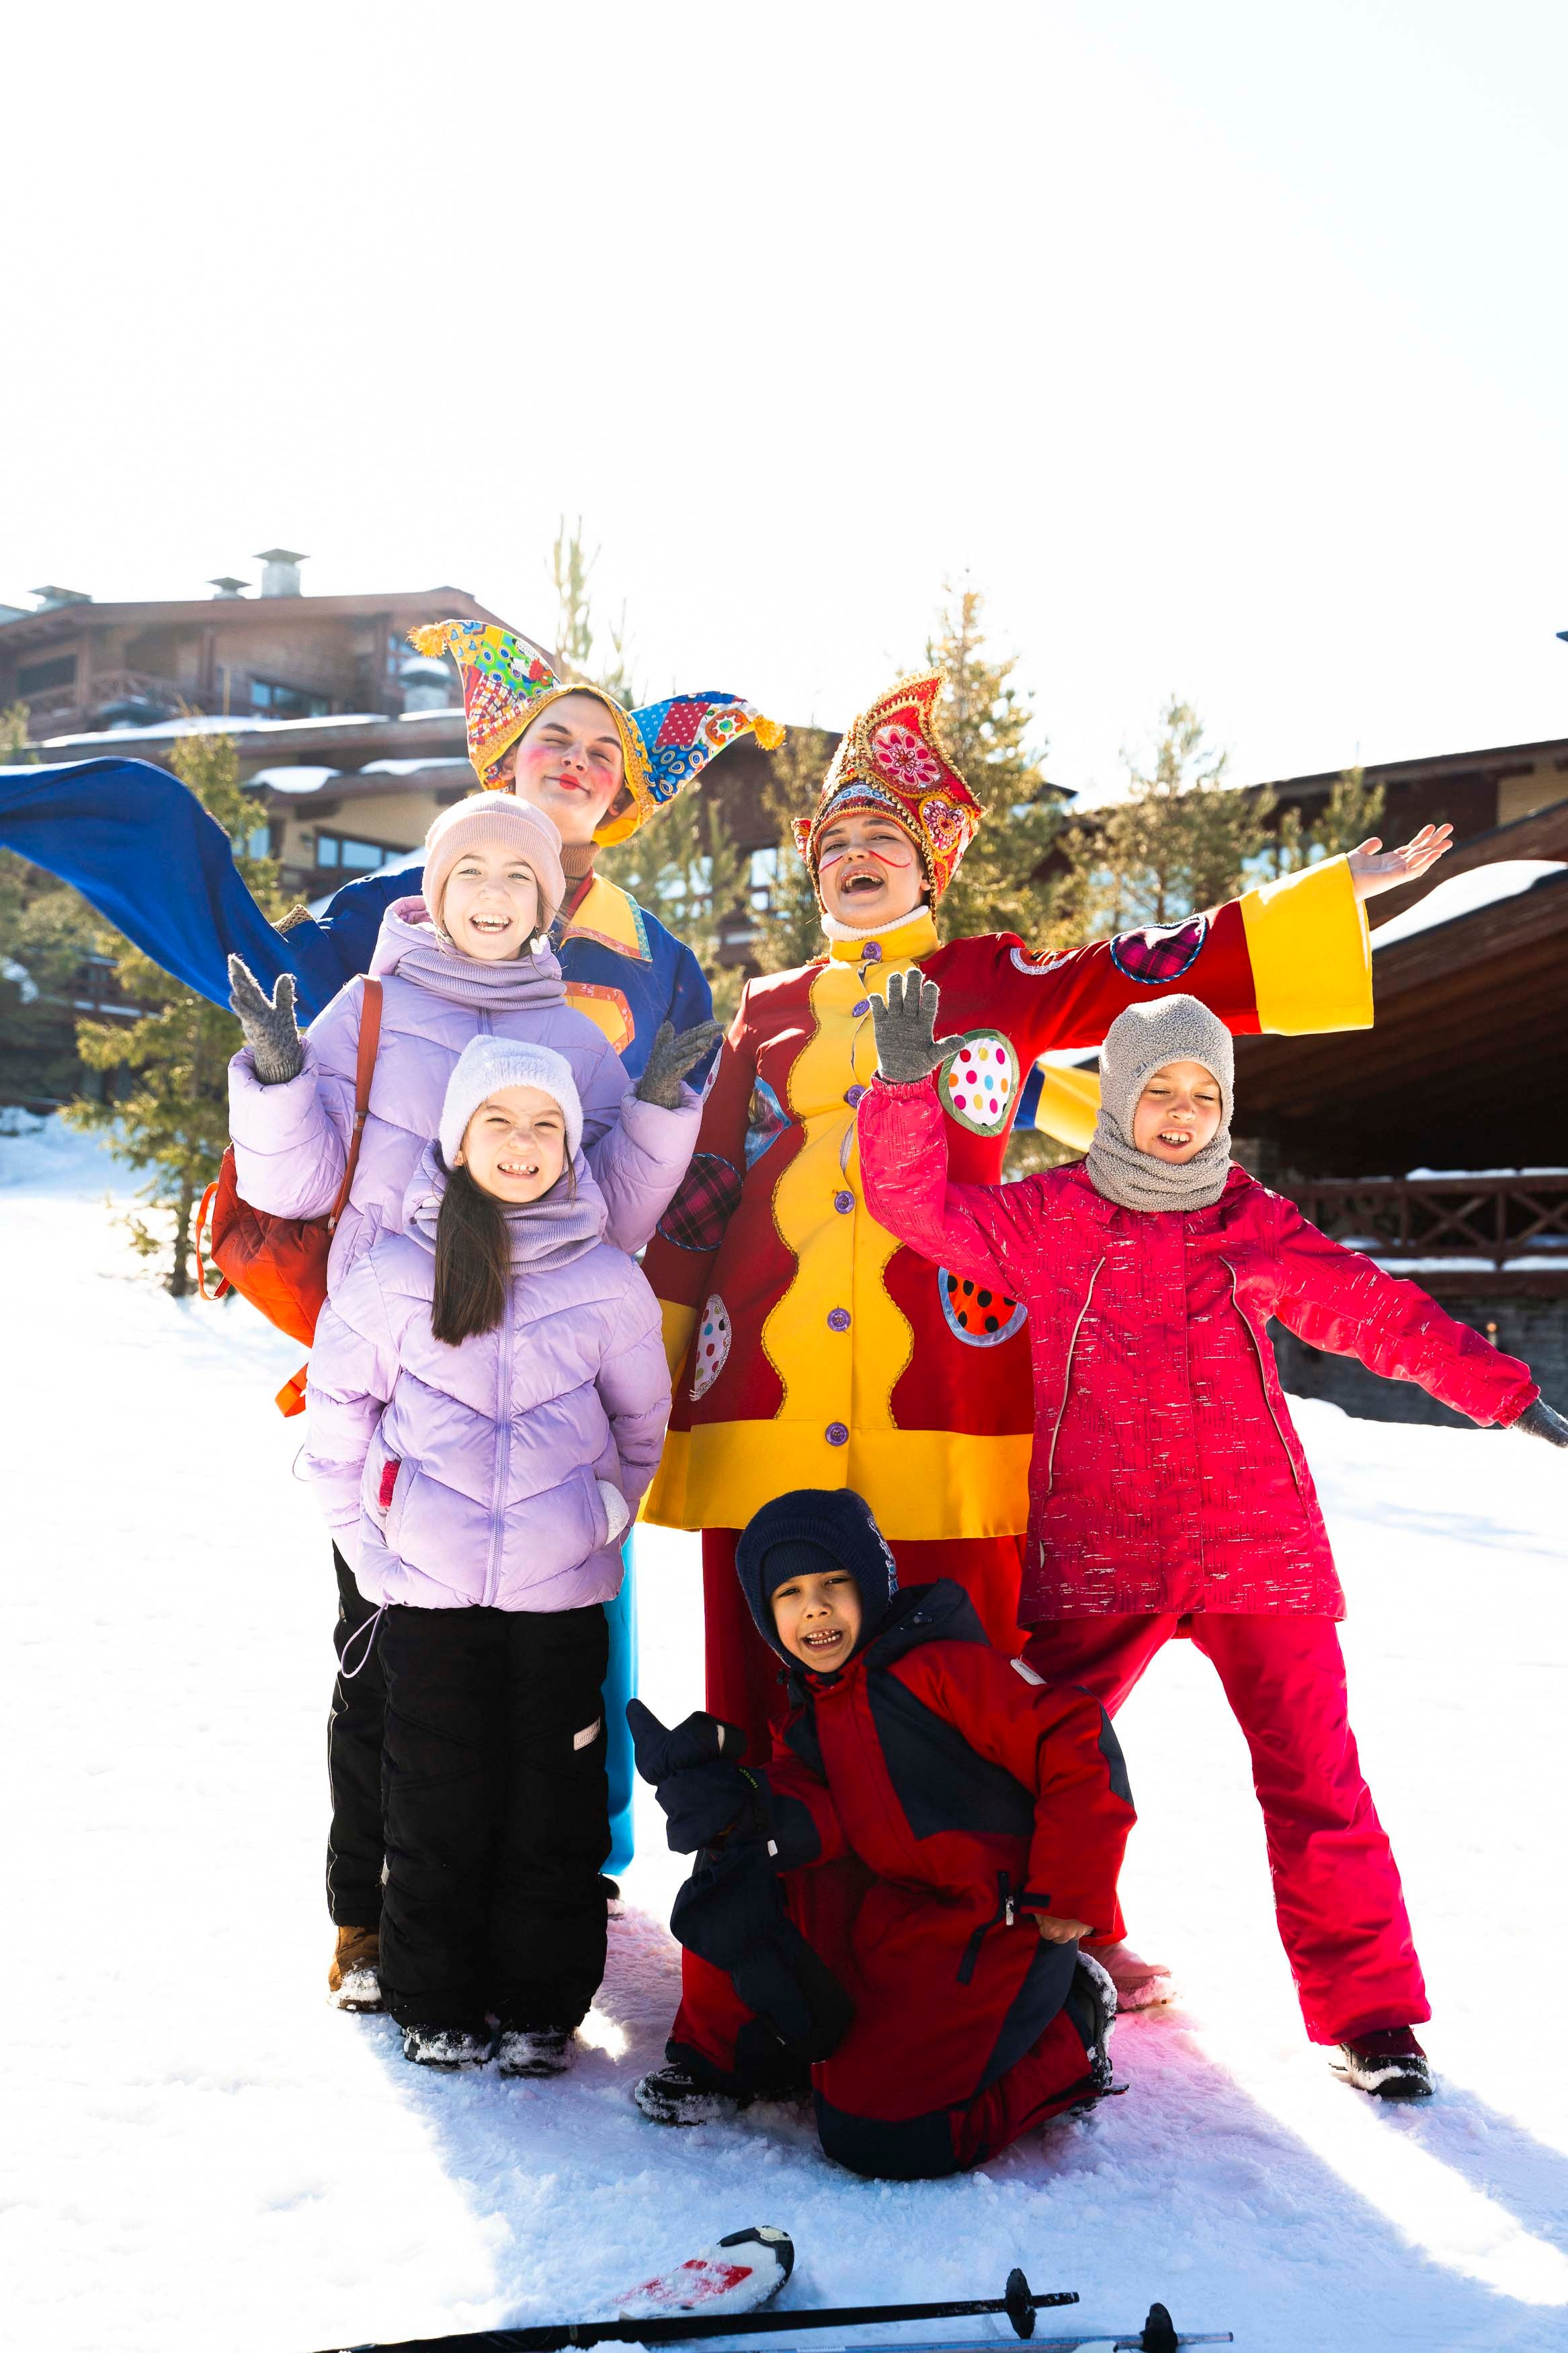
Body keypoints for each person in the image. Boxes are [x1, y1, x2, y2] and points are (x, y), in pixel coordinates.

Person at [637, 668, 1451, 2010]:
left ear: (930, 869)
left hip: (947, 1386)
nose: (853, 859)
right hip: (765, 1383)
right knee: (764, 1667)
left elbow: (1144, 969)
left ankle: (1053, 1914)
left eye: (881, 841)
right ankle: (766, 1931)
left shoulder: (987, 982)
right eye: (832, 843)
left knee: (977, 1682)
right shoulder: (766, 1008)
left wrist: (1313, 909)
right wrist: (648, 1364)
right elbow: (705, 1186)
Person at [0, 619, 782, 1884]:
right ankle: (379, 1902)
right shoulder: (390, 916)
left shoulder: (654, 962)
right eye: (552, 739)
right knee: (386, 1639)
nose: (575, 762)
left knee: (569, 1627)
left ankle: (565, 1866)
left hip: (565, 1363)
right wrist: (259, 1050)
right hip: (405, 1338)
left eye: (601, 750)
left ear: (625, 793)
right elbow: (295, 1059)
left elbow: (674, 1171)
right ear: (499, 759)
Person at [856, 980, 1568, 2098]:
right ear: (1119, 1100)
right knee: (1050, 1762)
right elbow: (920, 1210)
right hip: (1096, 1548)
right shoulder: (1050, 1219)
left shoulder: (1251, 1221)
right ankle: (1072, 1949)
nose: (1180, 1113)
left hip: (1255, 1551)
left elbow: (1374, 1314)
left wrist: (1502, 1394)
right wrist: (902, 1090)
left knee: (1315, 1778)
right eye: (1157, 1090)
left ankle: (1370, 2016)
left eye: (1202, 1092)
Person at [226, 786, 708, 2009]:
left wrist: (652, 1113)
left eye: (519, 882)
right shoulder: (370, 1007)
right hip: (399, 1380)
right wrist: (281, 1081)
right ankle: (368, 1918)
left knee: (518, 1686)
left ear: (548, 901)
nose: (493, 901)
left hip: (537, 1388)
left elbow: (615, 1210)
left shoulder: (574, 1033)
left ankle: (511, 1917)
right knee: (382, 1662)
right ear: (432, 890)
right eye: (470, 877)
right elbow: (301, 1177)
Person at [302, 1038, 670, 2071]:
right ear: (458, 1138)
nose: (522, 1144)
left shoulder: (607, 1282)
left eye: (544, 1124)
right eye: (499, 1123)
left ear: (570, 1145)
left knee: (551, 1803)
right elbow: (334, 1427)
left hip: (560, 1597)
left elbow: (643, 1423)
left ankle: (541, 2005)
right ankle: (435, 2001)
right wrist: (372, 1549)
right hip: (428, 1593)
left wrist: (603, 1515)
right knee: (436, 1797)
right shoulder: (390, 1274)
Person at [628, 1487, 1135, 2172]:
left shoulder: (944, 1668)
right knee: (737, 1866)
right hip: (897, 1919)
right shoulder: (810, 1708)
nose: (814, 1606)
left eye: (834, 1582)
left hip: (993, 1926)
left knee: (884, 2138)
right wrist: (738, 1802)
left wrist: (1071, 1890)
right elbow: (823, 1818)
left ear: (872, 1584)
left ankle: (1068, 2036)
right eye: (789, 1592)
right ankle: (738, 2054)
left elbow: (1076, 1736)